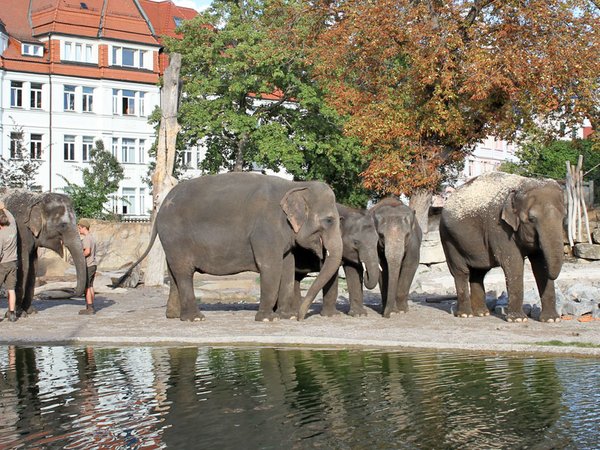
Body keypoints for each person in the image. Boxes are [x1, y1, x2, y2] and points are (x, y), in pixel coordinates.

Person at [0, 201, 18, 322]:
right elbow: (10, 217)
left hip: (3, 264)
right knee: (11, 289)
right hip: (13, 262)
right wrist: (3, 208)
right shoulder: (13, 229)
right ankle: (12, 313)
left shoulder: (1, 235)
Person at [78, 218, 97, 315]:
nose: (79, 230)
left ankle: (89, 308)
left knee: (87, 287)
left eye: (80, 228)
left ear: (84, 227)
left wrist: (80, 256)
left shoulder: (87, 238)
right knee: (91, 286)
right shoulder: (92, 237)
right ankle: (92, 305)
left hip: (88, 265)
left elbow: (87, 251)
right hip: (93, 264)